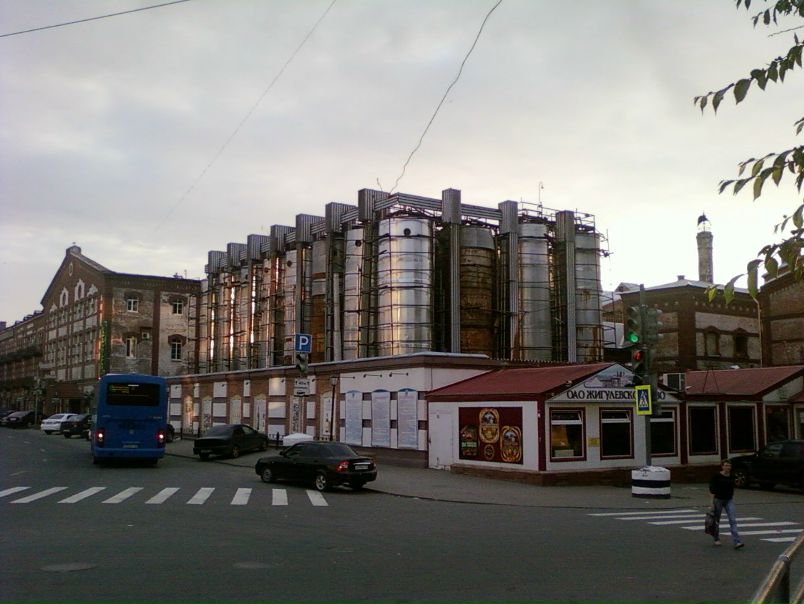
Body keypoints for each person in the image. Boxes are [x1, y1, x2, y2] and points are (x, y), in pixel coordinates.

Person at [708, 459, 745, 549]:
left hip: (729, 500)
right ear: (722, 466)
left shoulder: (732, 476)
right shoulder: (716, 476)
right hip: (718, 500)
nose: (728, 467)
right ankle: (716, 538)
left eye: (729, 466)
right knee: (716, 520)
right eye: (726, 465)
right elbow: (712, 490)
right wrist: (711, 503)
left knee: (733, 520)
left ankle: (737, 541)